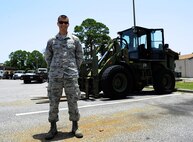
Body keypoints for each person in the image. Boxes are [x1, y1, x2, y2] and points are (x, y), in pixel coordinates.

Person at [44, 15, 83, 140]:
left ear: (68, 24)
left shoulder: (75, 40)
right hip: (55, 76)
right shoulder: (51, 41)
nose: (63, 24)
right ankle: (53, 128)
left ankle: (75, 126)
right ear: (57, 24)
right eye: (61, 22)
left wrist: (74, 68)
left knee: (73, 101)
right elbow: (48, 57)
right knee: (53, 102)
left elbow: (79, 56)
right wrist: (53, 69)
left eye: (65, 22)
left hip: (70, 75)